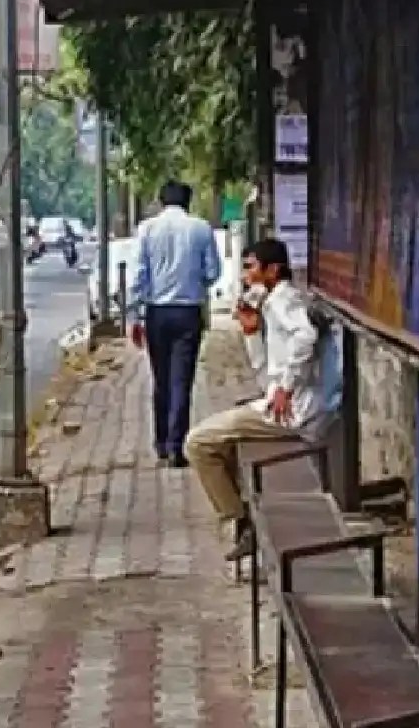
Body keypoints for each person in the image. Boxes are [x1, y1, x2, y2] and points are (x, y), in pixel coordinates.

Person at [182, 239, 325, 560]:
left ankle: (240, 518)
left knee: (197, 443)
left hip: (293, 412)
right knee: (221, 440)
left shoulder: (284, 300)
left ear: (272, 270)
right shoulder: (272, 303)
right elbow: (266, 375)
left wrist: (286, 387)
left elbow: (306, 336)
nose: (246, 275)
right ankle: (242, 515)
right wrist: (251, 333)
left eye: (251, 267)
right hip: (278, 405)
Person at [129, 180, 222, 466]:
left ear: (160, 201)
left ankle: (160, 443)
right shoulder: (201, 229)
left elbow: (138, 275)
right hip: (188, 312)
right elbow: (213, 272)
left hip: (156, 312)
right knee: (182, 380)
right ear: (188, 201)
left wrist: (135, 316)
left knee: (161, 379)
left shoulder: (146, 229)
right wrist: (194, 281)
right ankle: (176, 446)